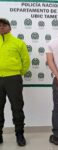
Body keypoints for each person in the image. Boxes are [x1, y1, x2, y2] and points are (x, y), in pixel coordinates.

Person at [0, 18, 30, 146]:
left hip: (13, 78)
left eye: (3, 25)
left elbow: (26, 61)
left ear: (9, 27)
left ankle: (19, 134)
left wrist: (18, 73)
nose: (1, 27)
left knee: (17, 108)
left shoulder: (18, 43)